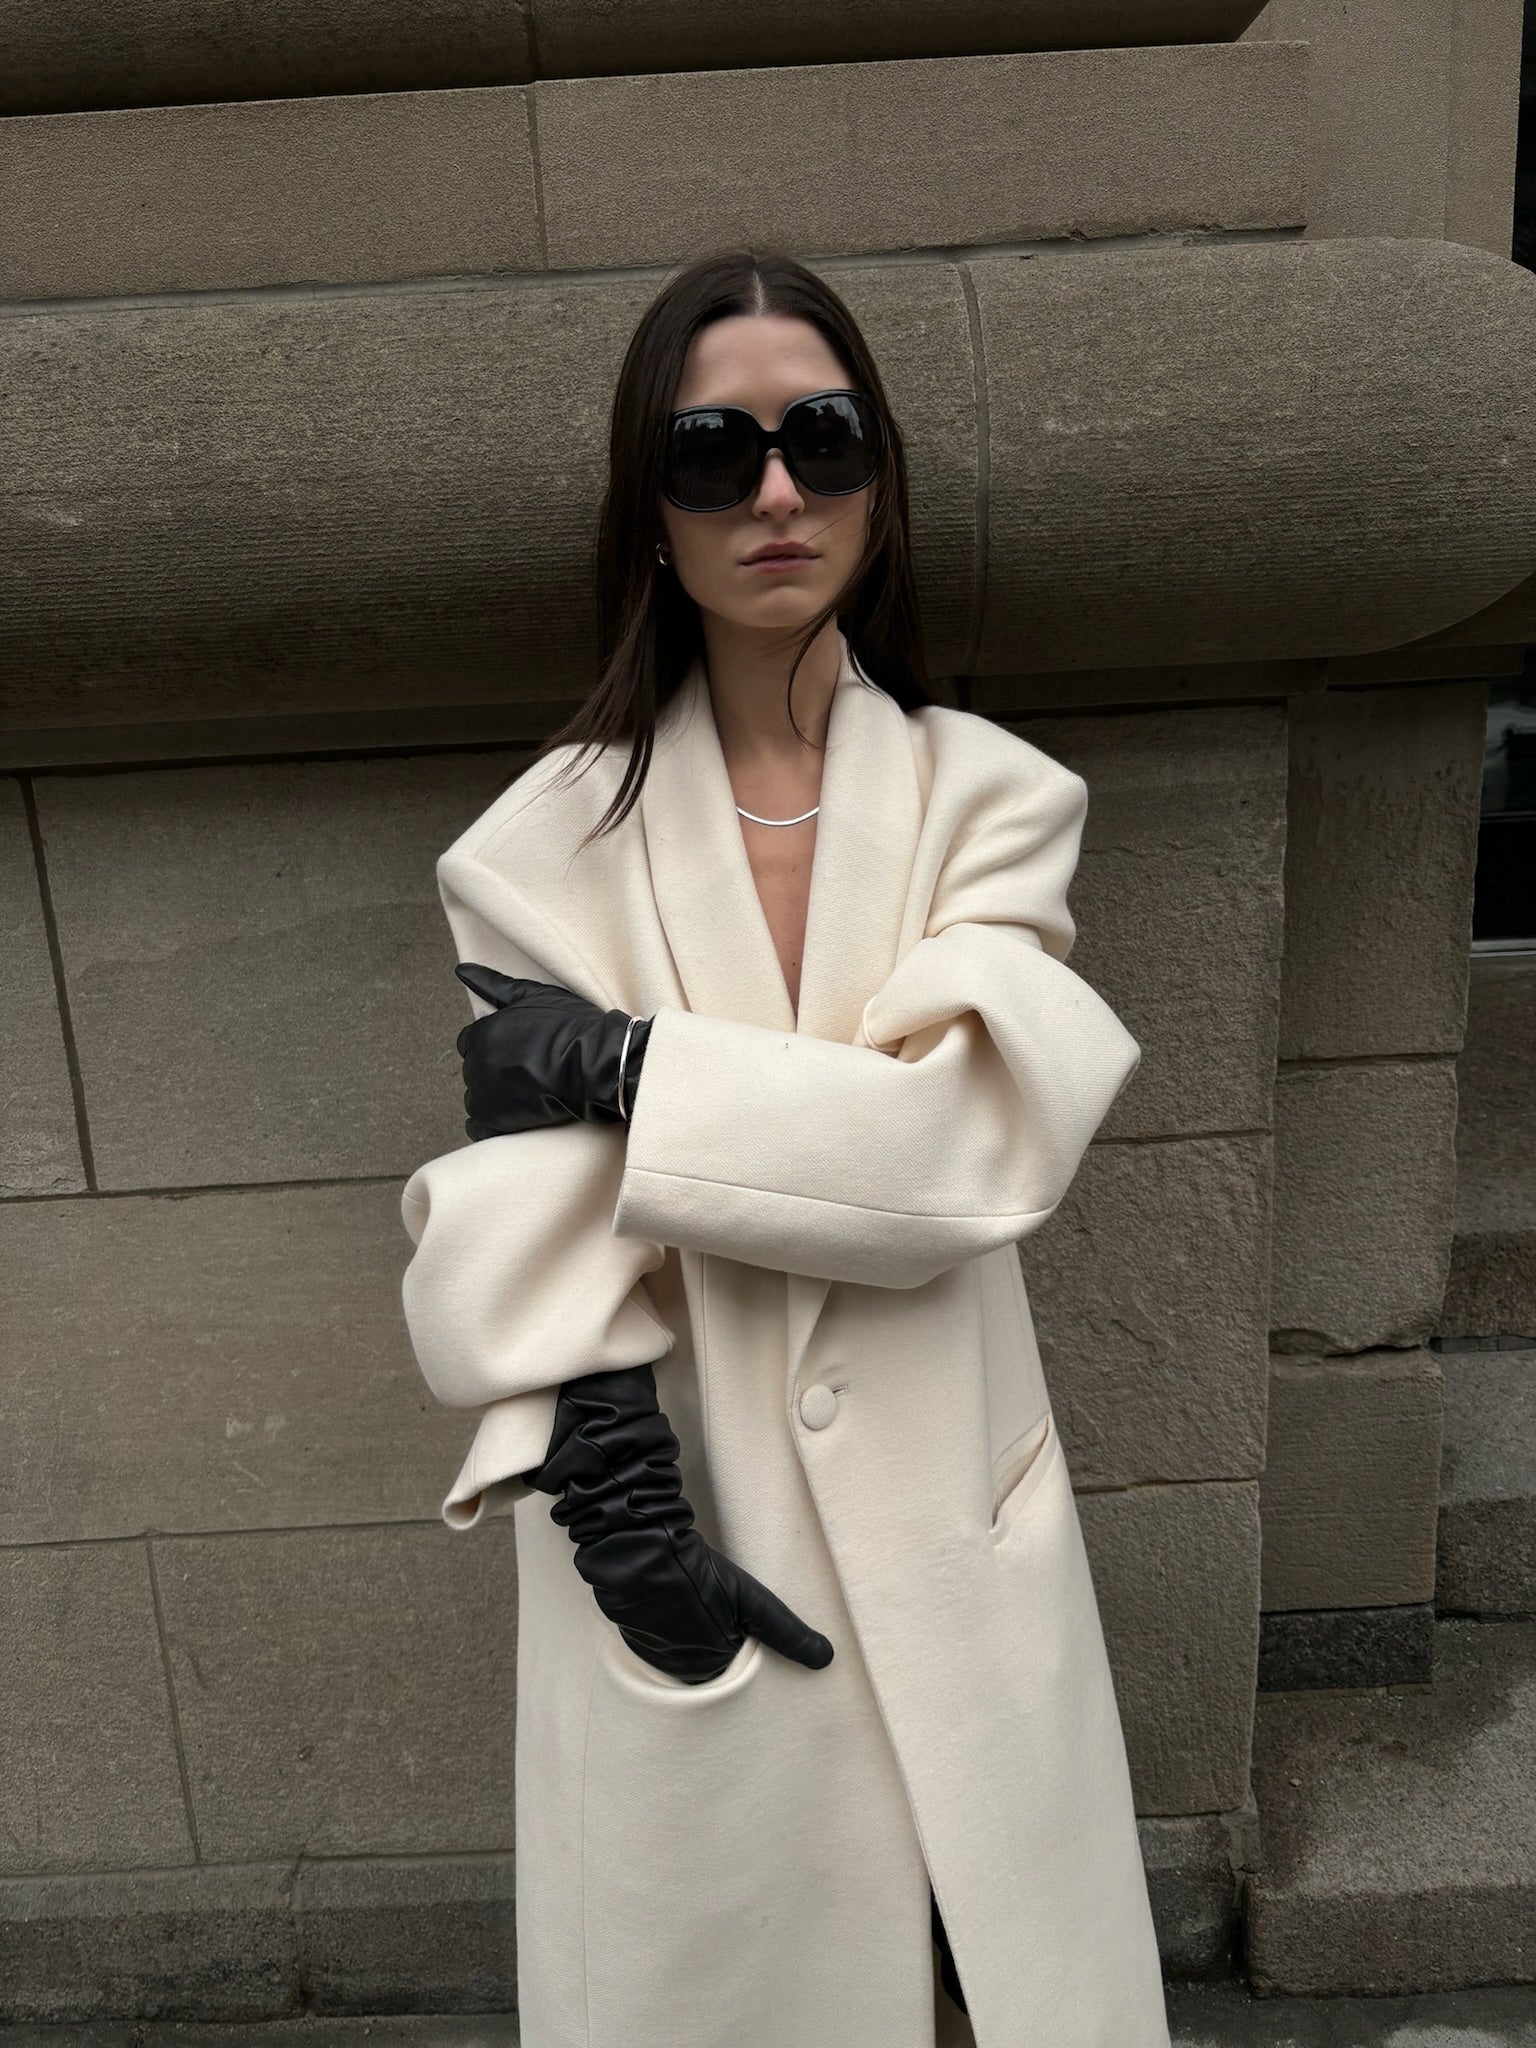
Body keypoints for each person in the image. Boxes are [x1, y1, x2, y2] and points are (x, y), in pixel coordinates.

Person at [399, 248, 1172, 2048]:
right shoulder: (531, 853)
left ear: (878, 485)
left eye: (821, 441)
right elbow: (530, 1227)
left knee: (997, 1990)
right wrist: (620, 1510)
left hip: (958, 1527)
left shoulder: (996, 802)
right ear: (648, 506)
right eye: (712, 452)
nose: (773, 494)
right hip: (695, 1513)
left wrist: (620, 1066)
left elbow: (960, 1152)